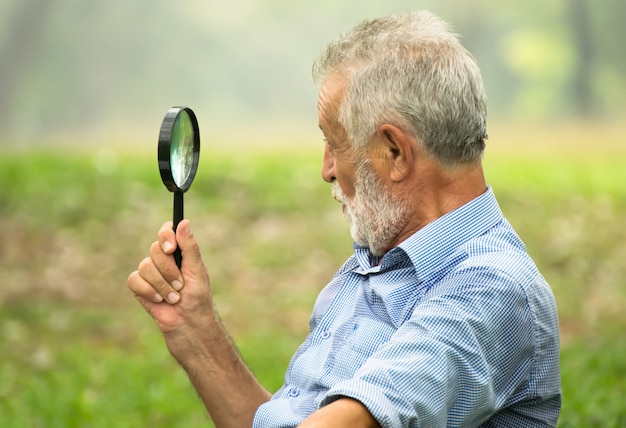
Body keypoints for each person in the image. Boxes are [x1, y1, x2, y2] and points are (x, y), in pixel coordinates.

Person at [127, 10, 561, 427]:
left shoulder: (493, 290)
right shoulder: (371, 266)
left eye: (335, 143)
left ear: (394, 152)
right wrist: (196, 329)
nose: (327, 169)